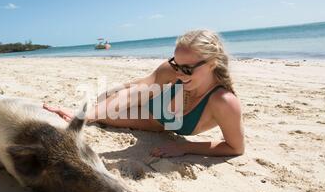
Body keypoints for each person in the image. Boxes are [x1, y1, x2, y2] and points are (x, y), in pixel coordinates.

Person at [44, 30, 244, 158]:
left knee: (107, 114)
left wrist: (186, 147)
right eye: (176, 64)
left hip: (154, 123)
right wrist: (85, 116)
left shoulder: (224, 102)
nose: (180, 73)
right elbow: (139, 91)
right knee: (103, 103)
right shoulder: (171, 70)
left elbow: (235, 148)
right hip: (147, 96)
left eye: (187, 69)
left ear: (212, 63)